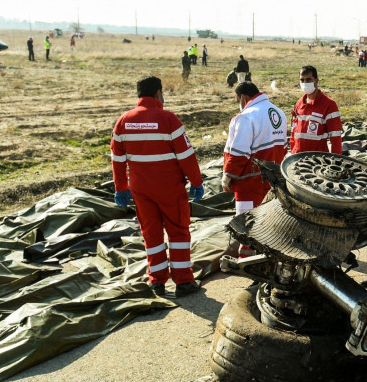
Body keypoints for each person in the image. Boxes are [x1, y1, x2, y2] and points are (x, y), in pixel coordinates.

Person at [110, 76, 204, 296]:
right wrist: (197, 182)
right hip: (170, 187)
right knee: (178, 232)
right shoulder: (168, 119)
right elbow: (186, 156)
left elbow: (117, 158)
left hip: (141, 190)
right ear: (159, 93)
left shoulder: (123, 121)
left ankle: (157, 282)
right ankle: (183, 282)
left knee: (151, 234)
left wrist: (121, 187)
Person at [224, 82, 288, 257]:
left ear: (244, 98)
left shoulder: (246, 117)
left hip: (248, 182)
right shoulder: (278, 113)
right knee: (267, 223)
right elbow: (283, 147)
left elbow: (238, 153)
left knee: (247, 225)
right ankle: (268, 259)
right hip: (271, 178)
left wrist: (228, 177)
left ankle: (249, 263)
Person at [290, 65, 342, 154]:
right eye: (302, 80)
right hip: (297, 157)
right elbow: (293, 133)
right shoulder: (299, 104)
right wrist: (292, 154)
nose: (305, 83)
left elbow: (336, 138)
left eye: (308, 79)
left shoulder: (329, 105)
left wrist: (336, 162)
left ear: (316, 81)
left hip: (317, 160)